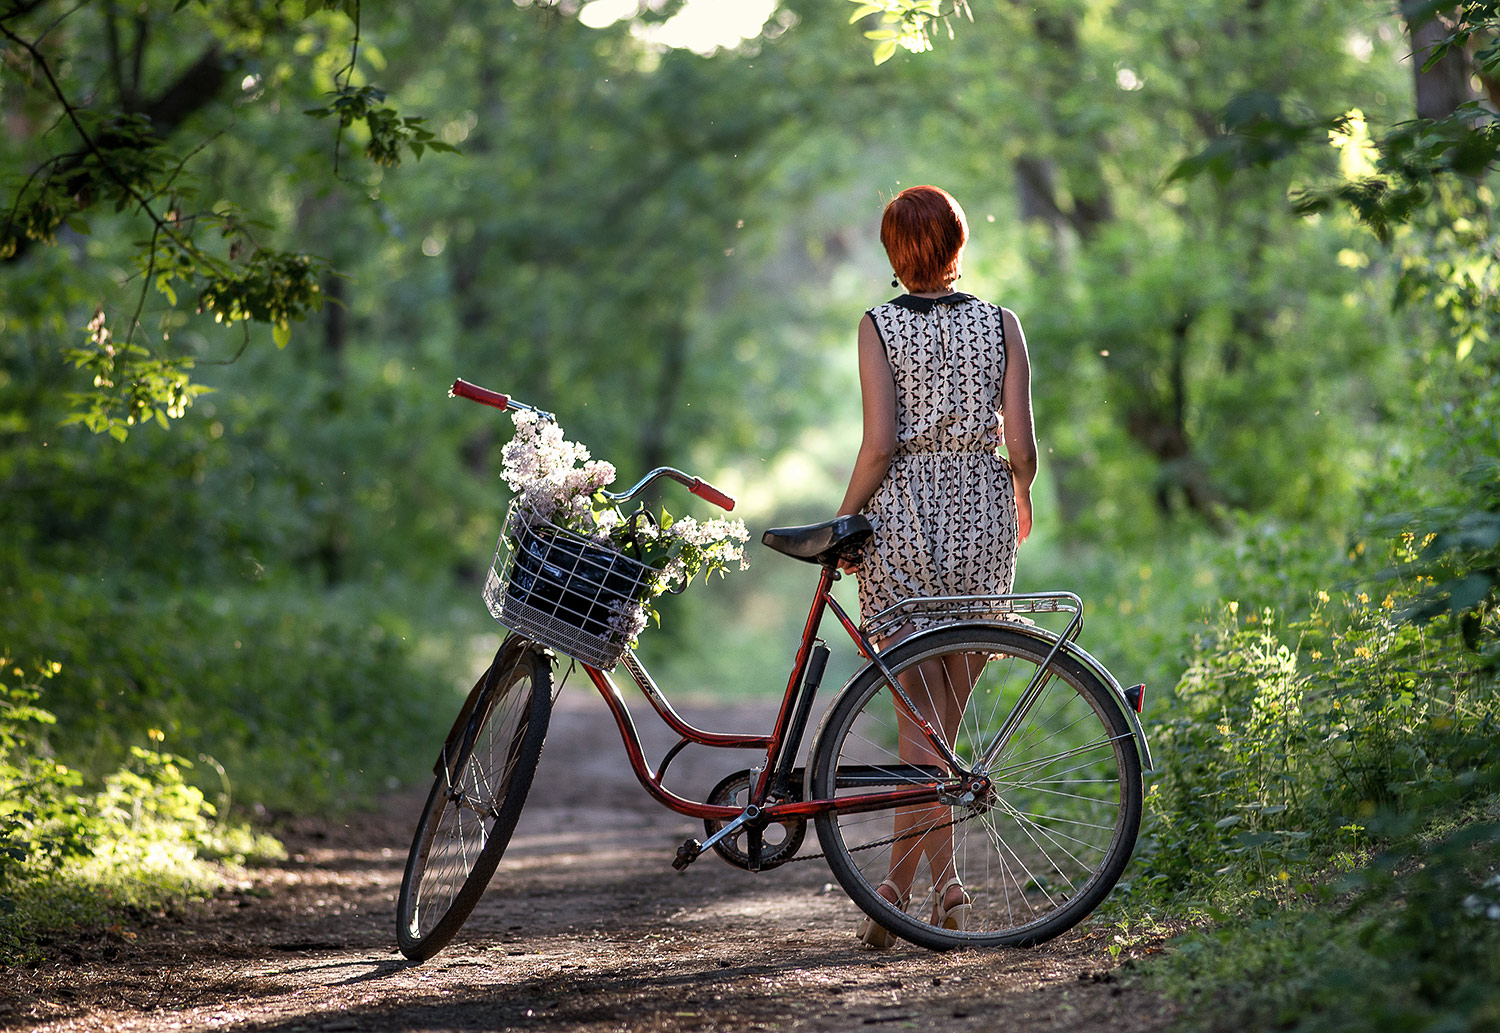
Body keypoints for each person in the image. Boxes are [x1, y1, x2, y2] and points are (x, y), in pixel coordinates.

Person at [835, 184, 1038, 948]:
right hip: (984, 519)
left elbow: (880, 444)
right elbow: (1021, 448)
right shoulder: (1002, 324)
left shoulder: (878, 326)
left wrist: (845, 515)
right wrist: (1020, 495)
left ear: (895, 251)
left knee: (917, 723)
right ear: (959, 243)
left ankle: (893, 889)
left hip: (906, 519)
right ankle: (940, 886)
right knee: (941, 726)